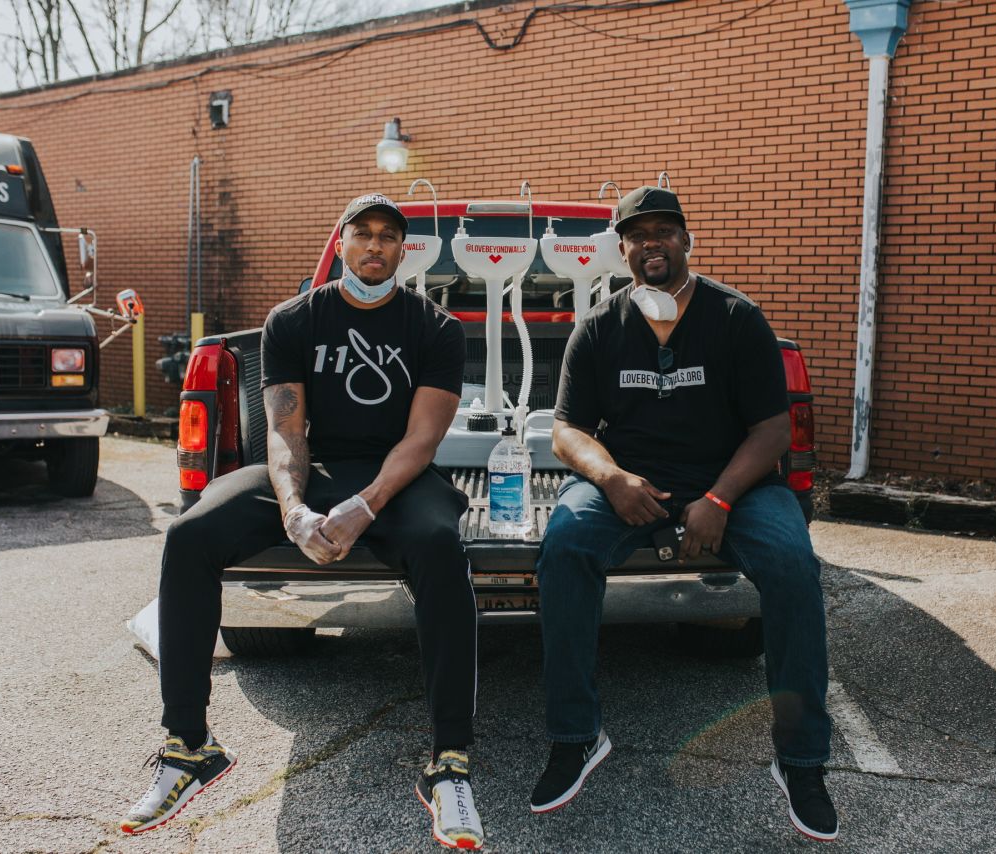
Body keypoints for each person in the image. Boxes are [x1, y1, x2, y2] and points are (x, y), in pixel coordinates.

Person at [122, 194, 485, 850]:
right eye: (362, 235)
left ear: (404, 251)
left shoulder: (436, 328)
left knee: (438, 542)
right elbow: (287, 432)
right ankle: (188, 747)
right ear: (340, 243)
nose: (375, 247)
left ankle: (450, 763)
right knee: (189, 535)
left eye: (388, 237)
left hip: (397, 479)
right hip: (314, 470)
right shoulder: (294, 319)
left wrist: (367, 504)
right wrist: (293, 510)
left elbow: (422, 440)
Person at [529, 187, 837, 841]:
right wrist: (611, 478)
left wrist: (721, 499)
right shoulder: (600, 326)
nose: (652, 244)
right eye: (638, 236)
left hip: (740, 486)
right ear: (622, 250)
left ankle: (802, 760)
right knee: (564, 547)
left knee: (791, 564)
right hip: (633, 484)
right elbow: (565, 431)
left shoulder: (735, 317)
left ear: (686, 240)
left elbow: (774, 430)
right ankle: (577, 736)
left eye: (664, 231)